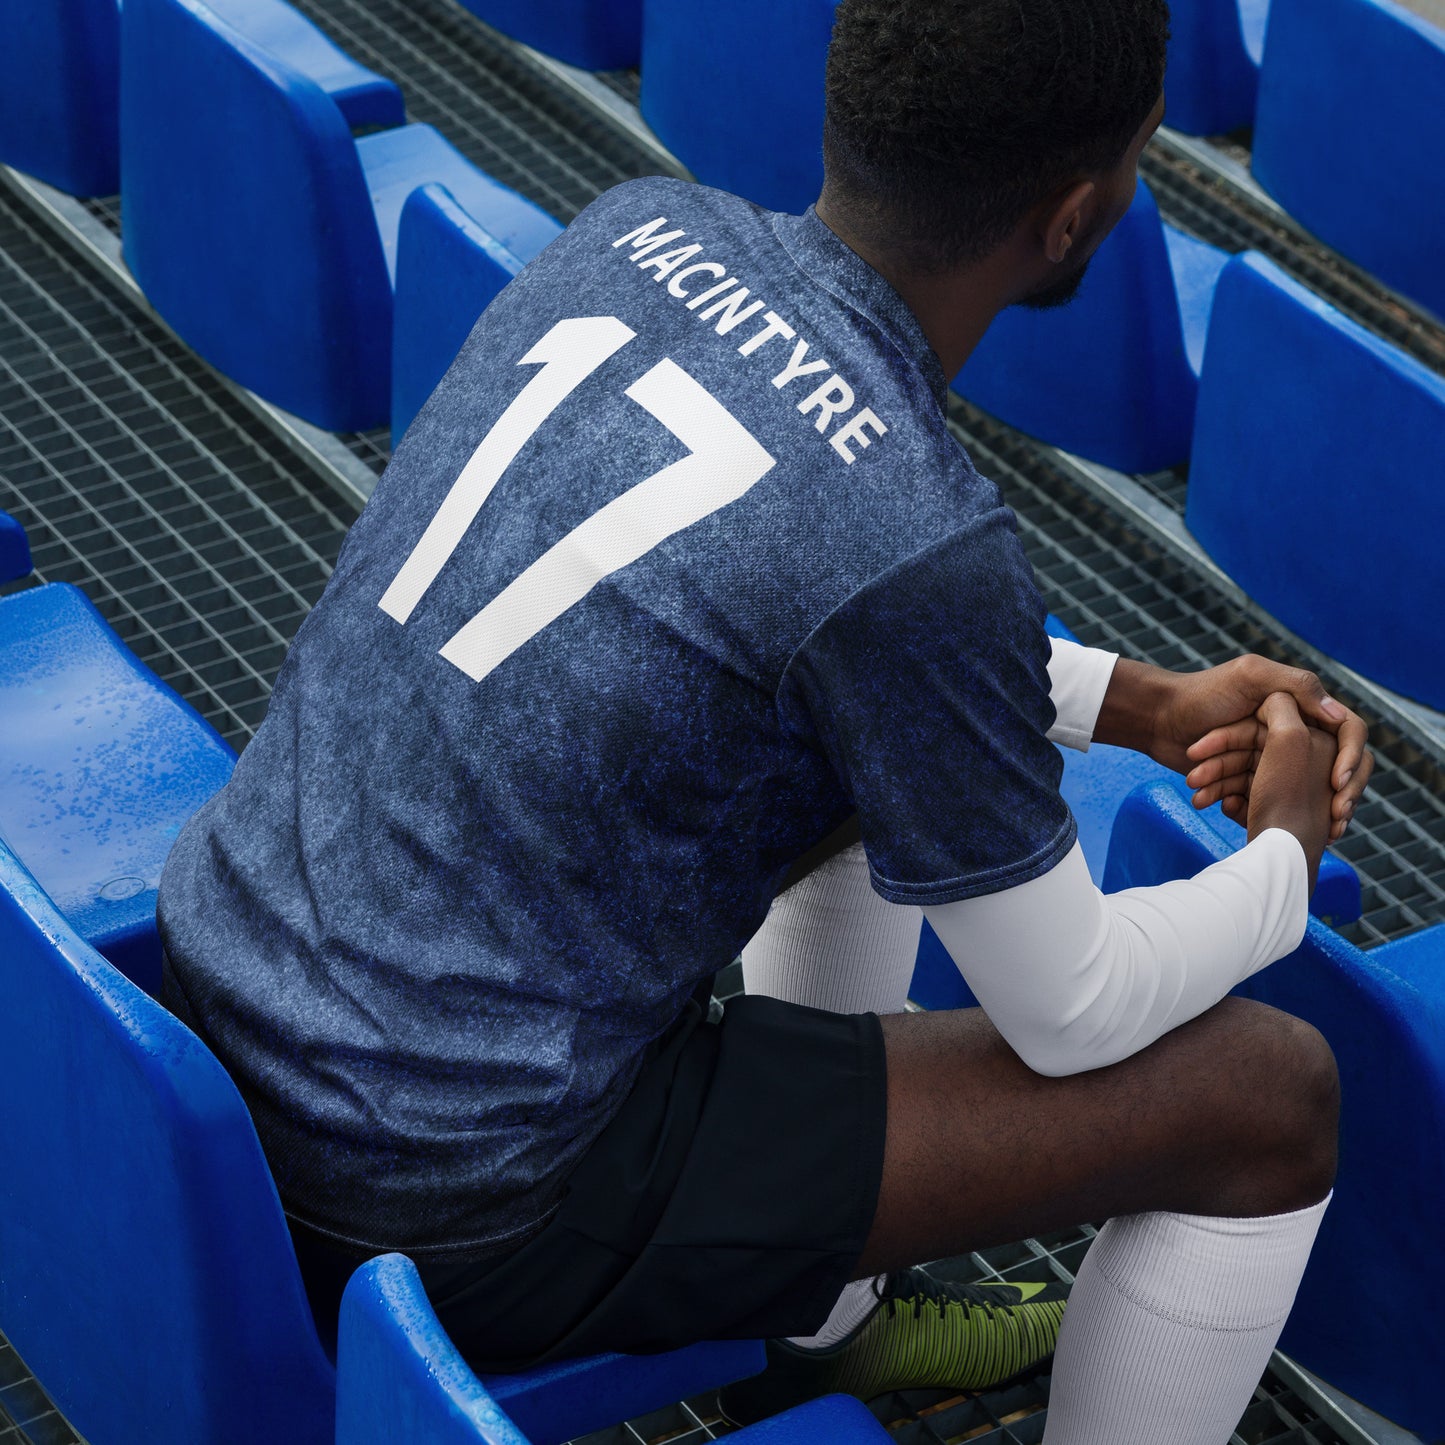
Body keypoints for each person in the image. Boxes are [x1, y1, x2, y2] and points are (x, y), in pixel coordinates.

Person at [156, 1, 1374, 1439]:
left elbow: (800, 624)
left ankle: (827, 1336)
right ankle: (821, 1319)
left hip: (227, 1019)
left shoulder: (636, 229)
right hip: (454, 1188)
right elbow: (1072, 1008)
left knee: (857, 764)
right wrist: (1282, 860)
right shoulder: (915, 534)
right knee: (1266, 1097)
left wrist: (1136, 701)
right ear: (1071, 219)